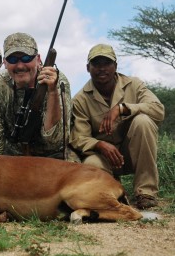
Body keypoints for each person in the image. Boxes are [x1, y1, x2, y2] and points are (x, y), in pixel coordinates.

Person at [69, 43, 165, 209]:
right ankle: (114, 193)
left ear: (116, 66)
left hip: (132, 153)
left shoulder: (134, 85)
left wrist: (123, 108)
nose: (102, 69)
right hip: (105, 158)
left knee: (143, 121)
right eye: (96, 64)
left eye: (107, 63)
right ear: (87, 68)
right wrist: (99, 144)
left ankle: (146, 192)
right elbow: (79, 138)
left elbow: (158, 110)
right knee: (91, 164)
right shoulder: (80, 99)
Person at [0, 32, 71, 159]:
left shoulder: (58, 81)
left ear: (38, 59)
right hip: (12, 159)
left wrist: (52, 92)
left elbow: (55, 141)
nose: (20, 66)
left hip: (52, 158)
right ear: (5, 63)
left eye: (26, 58)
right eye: (13, 60)